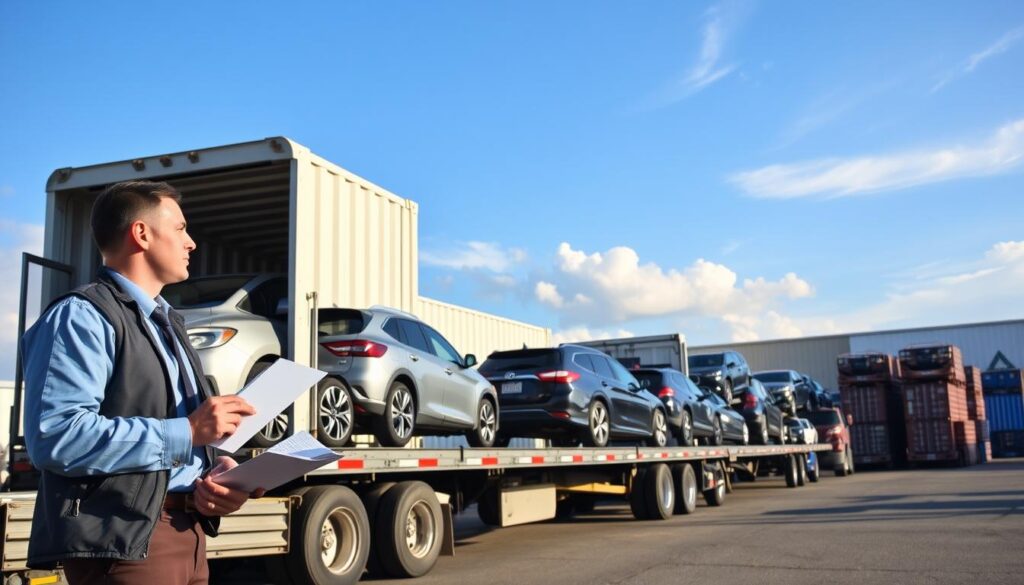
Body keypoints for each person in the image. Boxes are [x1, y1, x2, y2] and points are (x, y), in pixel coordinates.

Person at [21, 180, 262, 584]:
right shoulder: (82, 316)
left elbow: (180, 441)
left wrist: (216, 471)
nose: (192, 243)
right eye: (181, 228)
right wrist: (186, 430)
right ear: (142, 234)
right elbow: (56, 435)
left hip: (189, 532)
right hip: (126, 543)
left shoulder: (169, 324)